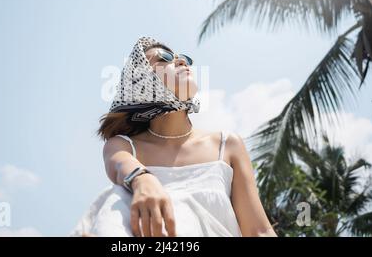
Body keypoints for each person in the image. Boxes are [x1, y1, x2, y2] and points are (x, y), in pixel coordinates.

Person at [70, 36, 277, 237]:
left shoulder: (227, 145)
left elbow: (259, 231)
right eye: (164, 58)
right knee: (115, 196)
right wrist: (142, 181)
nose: (181, 61)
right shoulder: (125, 146)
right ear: (143, 82)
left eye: (184, 59)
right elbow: (120, 165)